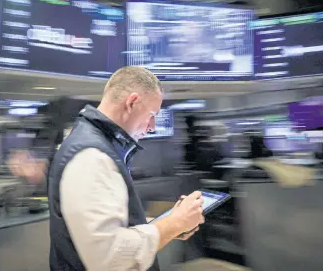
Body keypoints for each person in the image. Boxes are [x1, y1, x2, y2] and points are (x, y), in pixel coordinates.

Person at [48, 66, 205, 271]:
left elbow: (114, 227)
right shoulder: (92, 157)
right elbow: (110, 257)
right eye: (151, 115)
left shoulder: (93, 144)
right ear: (131, 103)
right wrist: (174, 223)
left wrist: (170, 223)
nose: (152, 126)